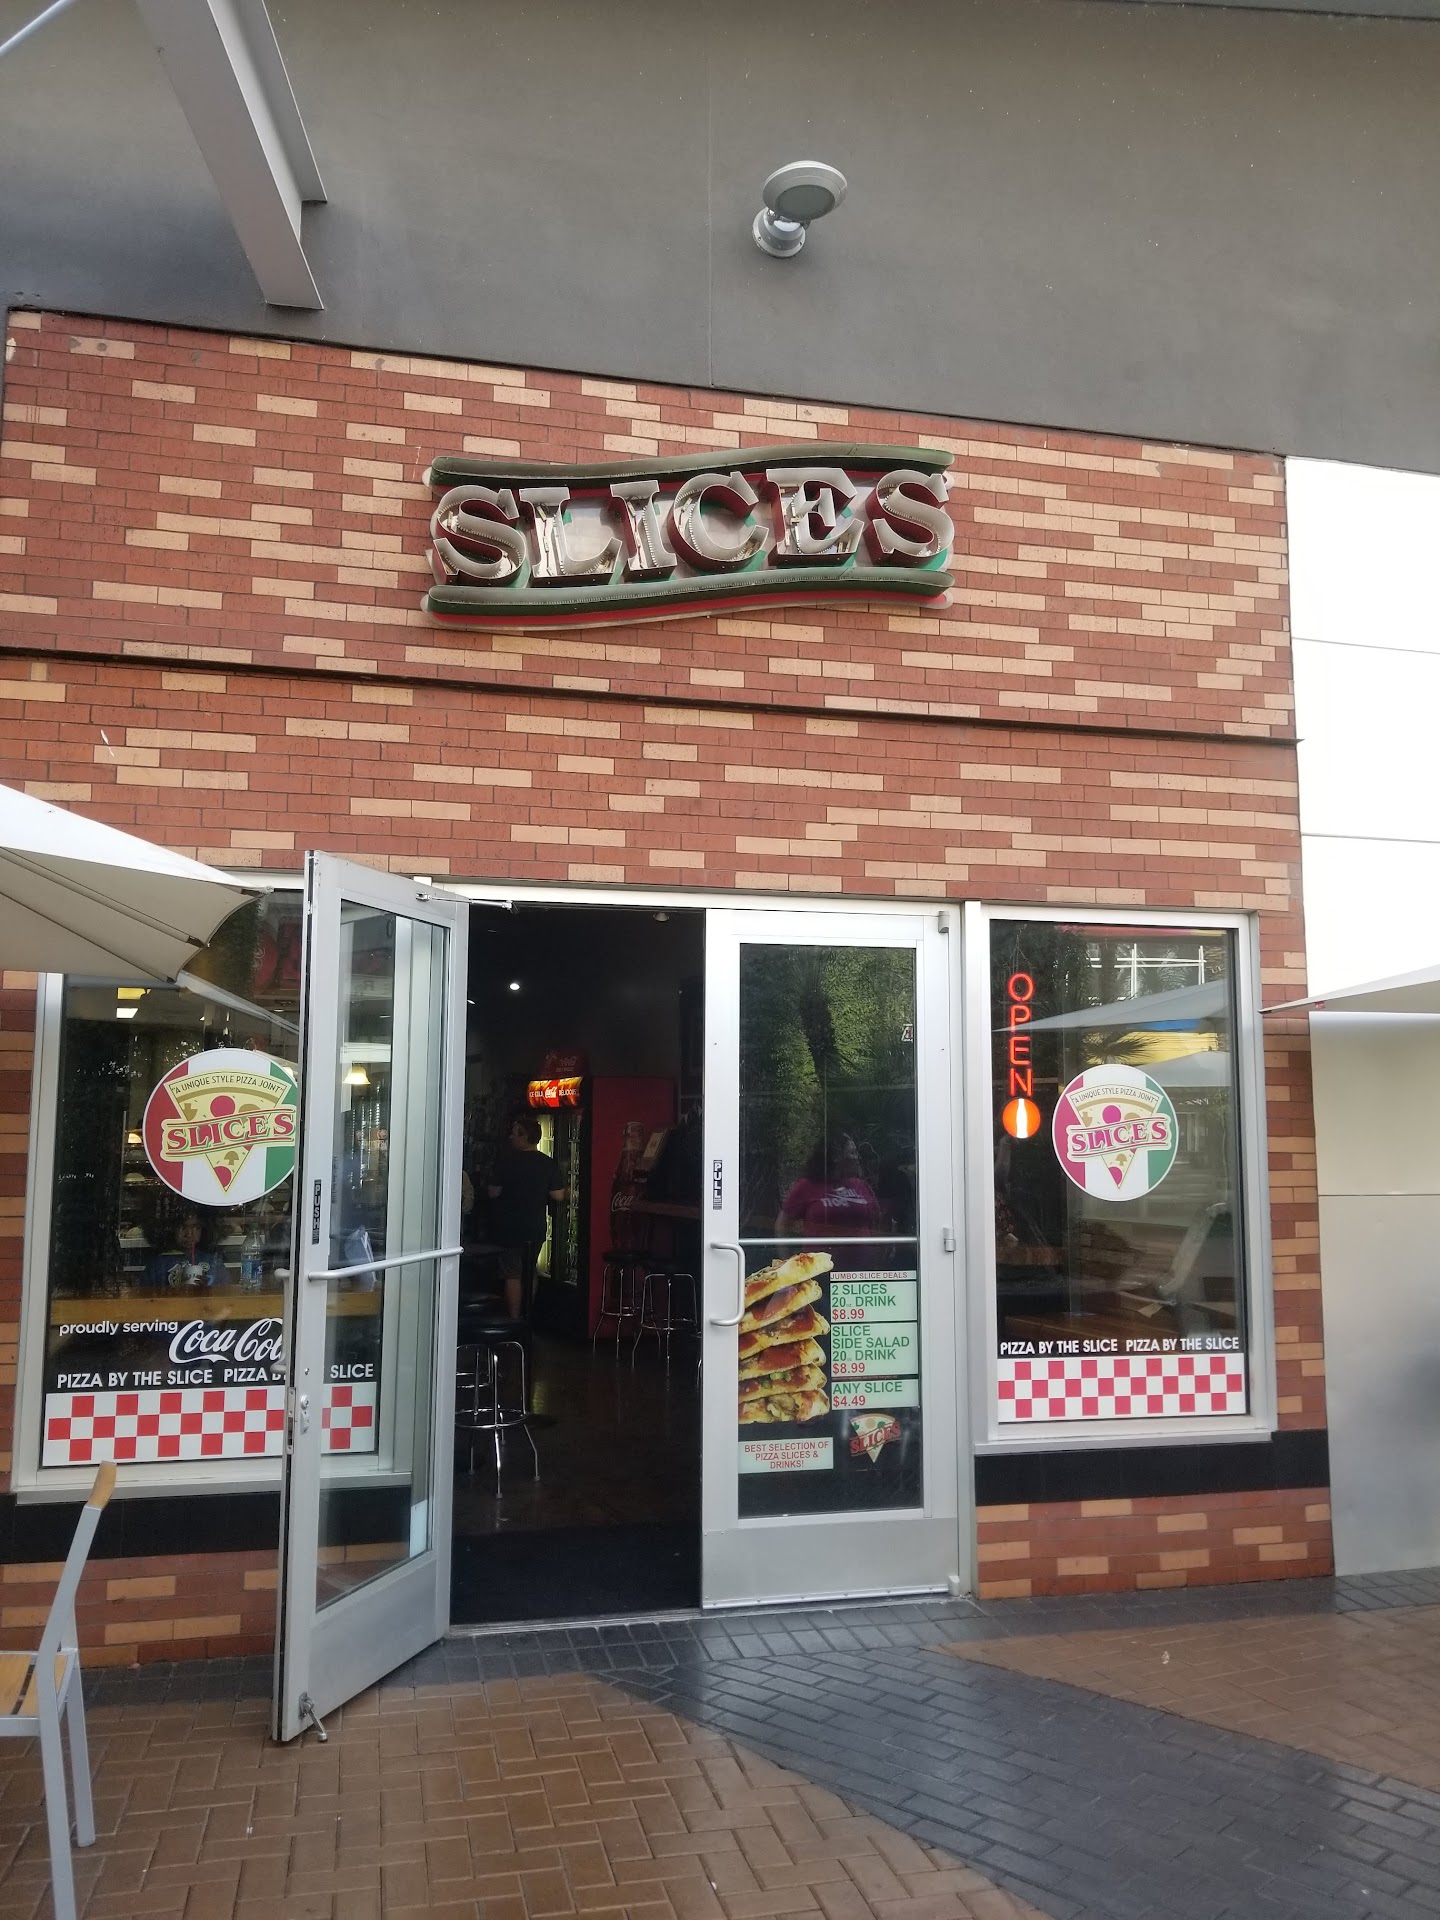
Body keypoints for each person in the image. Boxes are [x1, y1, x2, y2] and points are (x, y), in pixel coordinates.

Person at [486, 1113, 567, 1320]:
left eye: (514, 1133)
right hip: (535, 1225)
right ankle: (527, 1317)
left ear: (524, 1137)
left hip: (509, 1226)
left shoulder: (506, 1161)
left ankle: (514, 1320)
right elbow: (558, 1195)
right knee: (530, 1270)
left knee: (512, 1273)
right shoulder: (548, 1164)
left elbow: (493, 1192)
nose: (511, 1137)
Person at [776, 1128, 882, 1239]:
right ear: (836, 1157)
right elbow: (782, 1224)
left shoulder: (861, 1185)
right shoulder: (806, 1186)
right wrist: (785, 1251)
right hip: (822, 1250)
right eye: (853, 1152)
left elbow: (877, 1221)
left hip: (863, 1251)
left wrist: (879, 1247)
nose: (858, 1157)